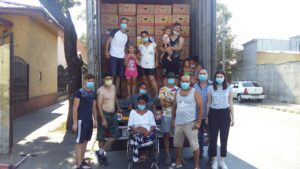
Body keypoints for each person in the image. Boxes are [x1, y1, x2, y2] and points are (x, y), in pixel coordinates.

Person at [171, 75, 203, 169]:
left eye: (187, 81)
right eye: (183, 81)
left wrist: (198, 122)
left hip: (190, 123)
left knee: (194, 145)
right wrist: (173, 120)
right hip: (178, 123)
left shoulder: (195, 92)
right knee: (178, 144)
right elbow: (174, 107)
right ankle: (178, 162)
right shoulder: (177, 92)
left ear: (190, 82)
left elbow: (201, 107)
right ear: (180, 82)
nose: (184, 83)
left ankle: (197, 166)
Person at [206, 70, 235, 169]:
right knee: (213, 139)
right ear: (215, 78)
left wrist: (233, 118)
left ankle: (222, 161)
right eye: (217, 76)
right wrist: (206, 116)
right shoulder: (210, 88)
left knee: (224, 138)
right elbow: (208, 103)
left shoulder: (229, 88)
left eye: (221, 76)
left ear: (224, 77)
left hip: (225, 114)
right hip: (213, 114)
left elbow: (231, 103)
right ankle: (214, 160)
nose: (219, 78)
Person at [95, 73, 121, 166]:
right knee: (101, 138)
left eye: (110, 78)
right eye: (107, 78)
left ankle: (100, 152)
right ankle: (102, 159)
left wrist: (118, 107)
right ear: (103, 80)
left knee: (116, 134)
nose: (109, 80)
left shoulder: (113, 87)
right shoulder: (100, 91)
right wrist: (103, 119)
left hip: (113, 114)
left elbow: (115, 98)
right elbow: (98, 106)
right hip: (104, 115)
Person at [72, 73, 97, 169]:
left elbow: (94, 107)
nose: (91, 82)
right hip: (81, 121)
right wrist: (75, 123)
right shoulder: (79, 93)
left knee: (86, 141)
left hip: (89, 121)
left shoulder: (93, 93)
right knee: (79, 142)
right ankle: (78, 165)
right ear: (85, 81)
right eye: (89, 80)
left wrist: (95, 120)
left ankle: (81, 161)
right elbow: (74, 109)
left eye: (92, 81)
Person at [128, 95, 157, 162]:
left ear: (146, 104)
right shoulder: (133, 112)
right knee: (138, 136)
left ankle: (136, 156)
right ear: (137, 103)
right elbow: (130, 125)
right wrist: (135, 129)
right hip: (136, 132)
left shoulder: (150, 113)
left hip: (148, 133)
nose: (141, 104)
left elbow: (153, 125)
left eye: (143, 103)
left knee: (140, 137)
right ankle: (140, 155)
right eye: (139, 103)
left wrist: (149, 132)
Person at [158, 72, 179, 165]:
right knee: (166, 135)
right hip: (166, 115)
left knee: (178, 137)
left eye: (172, 77)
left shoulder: (178, 89)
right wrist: (172, 102)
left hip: (177, 116)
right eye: (169, 77)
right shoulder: (162, 89)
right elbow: (162, 103)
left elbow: (178, 103)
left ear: (175, 79)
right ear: (166, 79)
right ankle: (168, 155)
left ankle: (179, 157)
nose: (171, 79)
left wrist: (168, 100)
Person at [105, 17, 129, 94]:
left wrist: (125, 59)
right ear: (120, 24)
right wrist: (106, 51)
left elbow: (125, 49)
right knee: (113, 75)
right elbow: (108, 41)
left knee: (119, 76)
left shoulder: (126, 36)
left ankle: (115, 93)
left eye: (125, 23)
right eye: (123, 22)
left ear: (127, 25)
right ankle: (109, 92)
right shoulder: (115, 31)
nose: (124, 24)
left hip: (121, 58)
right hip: (113, 56)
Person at [194, 69, 211, 159]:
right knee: (198, 137)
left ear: (207, 75)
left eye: (204, 73)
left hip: (210, 116)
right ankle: (199, 154)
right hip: (198, 116)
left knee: (211, 137)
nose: (202, 75)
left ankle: (210, 156)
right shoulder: (194, 86)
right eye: (200, 73)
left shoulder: (212, 85)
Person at [138, 31, 159, 97]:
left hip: (151, 65)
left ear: (148, 36)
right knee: (144, 79)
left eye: (145, 36)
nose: (144, 37)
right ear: (141, 38)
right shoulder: (140, 46)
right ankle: (147, 94)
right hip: (142, 64)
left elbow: (156, 53)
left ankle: (156, 94)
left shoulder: (153, 44)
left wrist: (156, 61)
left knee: (151, 78)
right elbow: (139, 55)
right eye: (143, 36)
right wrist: (138, 56)